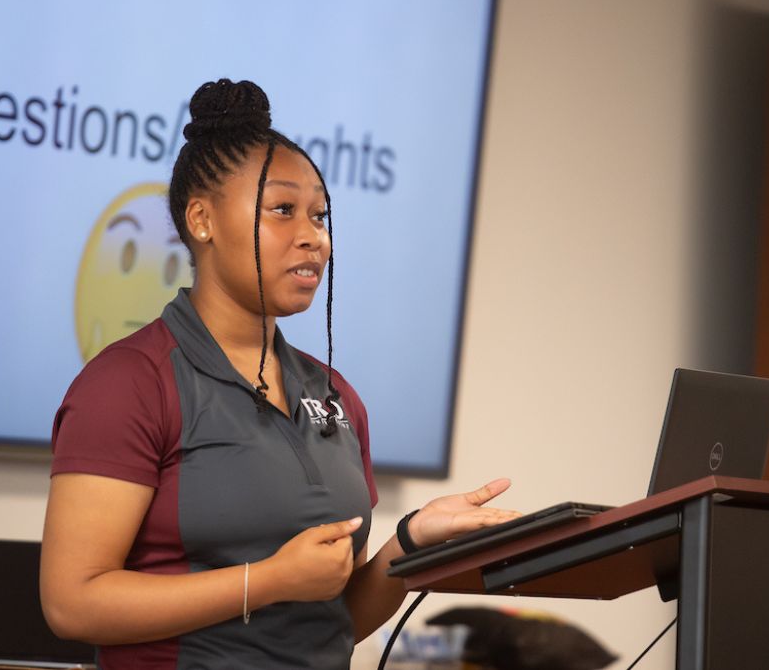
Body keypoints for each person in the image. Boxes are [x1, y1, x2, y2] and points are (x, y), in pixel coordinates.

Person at [40, 78, 520, 670]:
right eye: (284, 210)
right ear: (202, 220)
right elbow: (72, 603)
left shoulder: (336, 396)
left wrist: (410, 543)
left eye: (320, 216)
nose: (313, 237)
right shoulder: (128, 384)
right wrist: (266, 580)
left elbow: (335, 620)